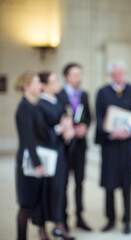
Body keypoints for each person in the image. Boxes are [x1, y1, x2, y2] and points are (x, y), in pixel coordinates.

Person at [95, 60, 131, 234]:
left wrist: (128, 130)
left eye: (122, 73)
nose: (120, 76)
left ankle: (127, 220)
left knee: (126, 183)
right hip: (110, 144)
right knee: (109, 184)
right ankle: (110, 219)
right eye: (116, 74)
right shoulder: (102, 92)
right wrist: (110, 131)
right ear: (111, 75)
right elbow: (99, 117)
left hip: (127, 144)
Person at [36, 71, 75, 240]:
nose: (57, 83)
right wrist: (60, 128)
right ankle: (42, 228)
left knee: (59, 188)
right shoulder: (39, 104)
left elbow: (66, 117)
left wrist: (68, 128)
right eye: (53, 81)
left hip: (59, 151)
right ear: (43, 85)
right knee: (43, 189)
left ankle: (59, 225)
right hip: (45, 151)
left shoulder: (59, 100)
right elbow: (41, 130)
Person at [57, 63, 92, 231]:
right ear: (67, 77)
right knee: (63, 183)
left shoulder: (84, 95)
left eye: (80, 75)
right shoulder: (59, 95)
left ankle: (80, 216)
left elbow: (88, 117)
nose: (79, 78)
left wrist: (84, 127)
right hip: (64, 147)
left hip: (80, 146)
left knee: (80, 182)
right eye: (75, 75)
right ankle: (63, 218)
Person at [14, 71, 47, 240]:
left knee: (33, 202)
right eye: (37, 83)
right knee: (25, 205)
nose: (40, 86)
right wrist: (38, 164)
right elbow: (28, 139)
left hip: (32, 160)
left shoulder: (32, 106)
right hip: (28, 163)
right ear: (27, 86)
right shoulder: (25, 108)